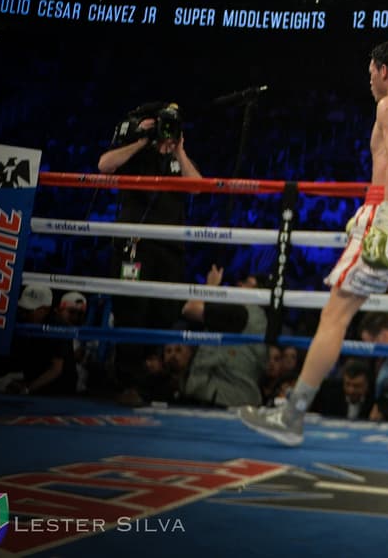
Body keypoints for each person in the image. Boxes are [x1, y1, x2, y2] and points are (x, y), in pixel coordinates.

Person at [238, 41, 388, 456]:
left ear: (385, 70)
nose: (369, 78)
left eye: (372, 70)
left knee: (335, 316)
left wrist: (383, 221)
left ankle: (292, 416)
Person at [97, 100, 202, 404]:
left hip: (169, 248)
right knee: (131, 311)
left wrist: (179, 150)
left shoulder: (179, 159)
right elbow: (105, 165)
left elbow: (198, 187)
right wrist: (143, 140)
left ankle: (149, 382)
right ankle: (126, 383)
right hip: (135, 245)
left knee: (164, 313)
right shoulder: (136, 152)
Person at [172, 263, 267, 407]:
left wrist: (211, 285)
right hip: (240, 397)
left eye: (245, 284)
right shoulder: (262, 318)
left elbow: (190, 309)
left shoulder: (240, 313)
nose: (238, 285)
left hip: (220, 398)